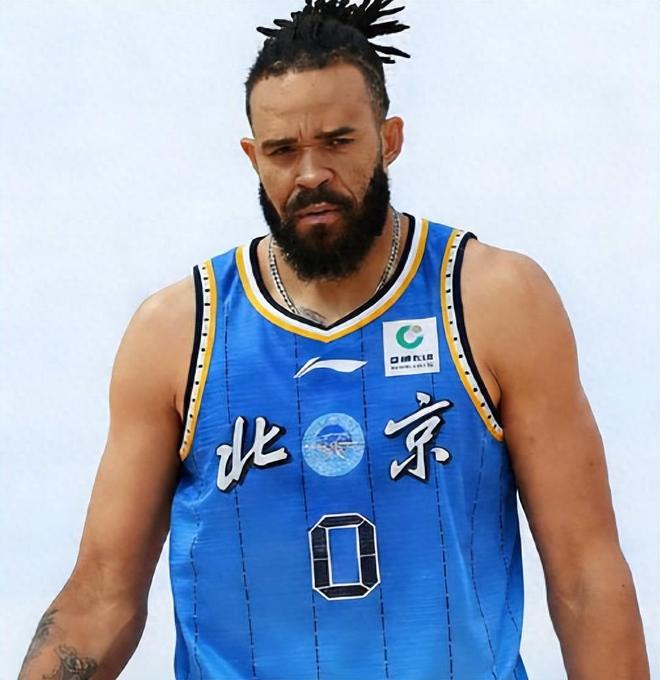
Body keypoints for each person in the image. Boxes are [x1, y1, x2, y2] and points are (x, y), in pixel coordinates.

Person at [18, 1, 649, 679]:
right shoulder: (178, 331)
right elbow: (102, 596)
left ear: (389, 139)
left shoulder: (492, 300)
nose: (311, 172)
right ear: (253, 157)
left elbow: (585, 576)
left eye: (338, 141)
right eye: (283, 150)